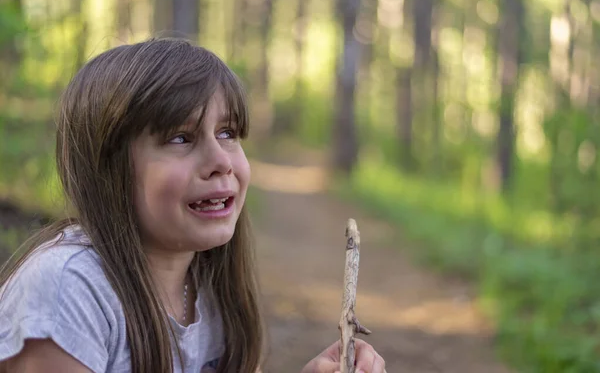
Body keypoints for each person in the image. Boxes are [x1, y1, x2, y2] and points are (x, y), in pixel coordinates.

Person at [0, 38, 385, 373]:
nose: (221, 160)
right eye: (180, 138)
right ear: (107, 166)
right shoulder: (68, 291)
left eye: (227, 133)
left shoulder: (210, 281)